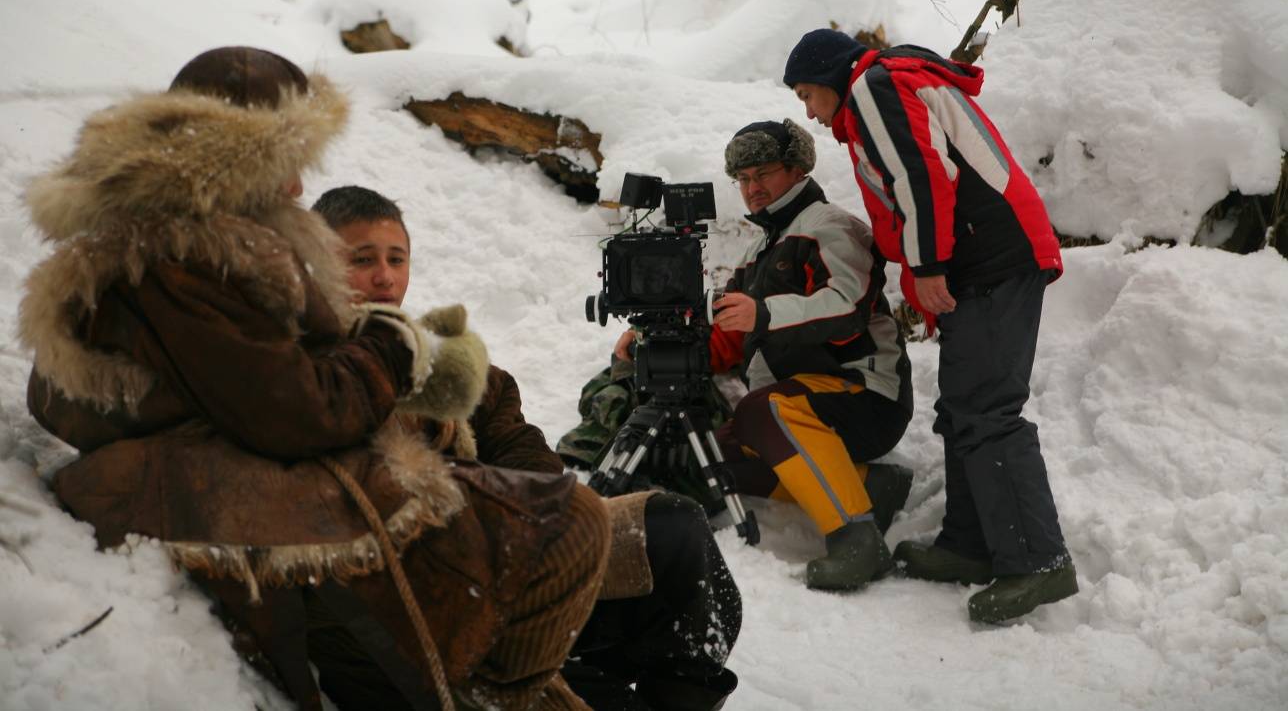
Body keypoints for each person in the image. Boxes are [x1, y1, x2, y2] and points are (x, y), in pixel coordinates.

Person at [20, 46, 610, 710]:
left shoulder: (215, 246)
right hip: (249, 513)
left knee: (584, 531)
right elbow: (296, 411)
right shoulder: (180, 254)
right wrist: (389, 347)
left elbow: (476, 407)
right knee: (576, 530)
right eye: (285, 163)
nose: (299, 187)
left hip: (277, 494)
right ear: (233, 156)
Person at [313, 185, 742, 711]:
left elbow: (524, 451)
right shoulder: (304, 368)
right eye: (363, 259)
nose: (385, 276)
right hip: (428, 605)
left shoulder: (446, 365)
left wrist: (537, 520)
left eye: (396, 258)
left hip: (512, 566)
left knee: (678, 529)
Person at [784, 28, 1078, 623]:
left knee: (988, 408)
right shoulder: (884, 87)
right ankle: (970, 544)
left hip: (993, 256)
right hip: (981, 258)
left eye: (808, 96)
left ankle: (1038, 561)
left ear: (831, 78)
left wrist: (926, 266)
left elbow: (923, 178)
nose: (811, 115)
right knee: (965, 404)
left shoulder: (872, 86)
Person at [709, 119, 916, 592]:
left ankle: (856, 537)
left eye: (763, 173)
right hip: (804, 402)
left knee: (762, 409)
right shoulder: (759, 249)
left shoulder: (830, 226)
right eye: (742, 179)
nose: (752, 188)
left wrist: (761, 313)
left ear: (798, 169)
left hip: (865, 396)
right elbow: (730, 333)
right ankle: (867, 485)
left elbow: (846, 306)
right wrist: (652, 343)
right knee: (718, 455)